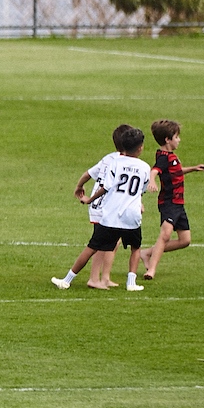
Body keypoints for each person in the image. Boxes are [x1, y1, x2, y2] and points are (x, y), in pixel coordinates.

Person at [54, 124, 151, 292]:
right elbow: (140, 191)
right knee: (135, 248)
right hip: (132, 216)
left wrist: (89, 199)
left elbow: (105, 187)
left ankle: (67, 280)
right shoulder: (144, 167)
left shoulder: (115, 162)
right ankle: (131, 283)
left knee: (92, 247)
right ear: (140, 148)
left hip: (111, 216)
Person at [139, 120, 204, 280]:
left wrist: (193, 168)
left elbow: (176, 171)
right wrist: (151, 181)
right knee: (165, 235)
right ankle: (151, 270)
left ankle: (147, 253)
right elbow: (155, 170)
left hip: (178, 204)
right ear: (167, 140)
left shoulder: (172, 157)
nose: (179, 140)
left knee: (185, 240)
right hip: (168, 203)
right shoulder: (163, 157)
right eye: (176, 137)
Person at [74, 149, 121, 288]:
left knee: (114, 242)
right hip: (104, 207)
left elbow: (88, 174)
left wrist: (79, 186)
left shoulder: (108, 158)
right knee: (101, 243)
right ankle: (94, 279)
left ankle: (105, 277)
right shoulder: (122, 162)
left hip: (100, 206)